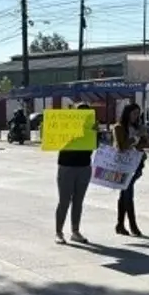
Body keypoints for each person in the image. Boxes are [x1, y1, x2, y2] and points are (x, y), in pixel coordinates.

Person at [55, 103, 94, 244]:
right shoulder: (67, 127)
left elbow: (96, 146)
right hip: (67, 166)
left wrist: (95, 133)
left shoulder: (92, 128)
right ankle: (59, 232)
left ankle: (75, 231)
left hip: (84, 166)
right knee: (64, 201)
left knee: (78, 201)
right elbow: (58, 142)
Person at [112, 103, 149, 236]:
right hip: (123, 166)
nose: (136, 116)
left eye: (138, 114)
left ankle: (120, 224)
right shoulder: (119, 127)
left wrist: (141, 138)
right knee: (128, 194)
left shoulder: (138, 127)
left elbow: (146, 144)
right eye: (134, 113)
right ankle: (133, 225)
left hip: (137, 164)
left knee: (124, 194)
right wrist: (136, 137)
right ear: (127, 113)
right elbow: (121, 147)